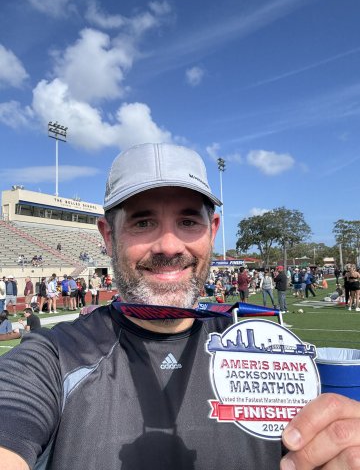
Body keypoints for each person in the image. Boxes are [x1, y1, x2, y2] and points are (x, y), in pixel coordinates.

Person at [0, 143, 360, 470]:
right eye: (143, 222)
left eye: (188, 221)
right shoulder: (52, 359)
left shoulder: (268, 347)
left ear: (213, 230)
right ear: (108, 237)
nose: (169, 246)